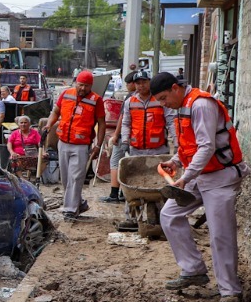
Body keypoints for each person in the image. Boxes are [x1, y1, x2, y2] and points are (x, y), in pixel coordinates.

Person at [150, 71, 247, 302]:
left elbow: (206, 147)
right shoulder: (183, 106)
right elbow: (189, 145)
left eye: (163, 98)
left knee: (220, 233)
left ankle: (230, 291)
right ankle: (193, 269)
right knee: (169, 215)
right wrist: (175, 161)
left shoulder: (201, 105)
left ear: (175, 88)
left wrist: (186, 177)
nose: (163, 104)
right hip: (200, 175)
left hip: (220, 176)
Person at [43, 69, 105, 221]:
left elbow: (102, 124)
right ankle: (80, 203)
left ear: (91, 86)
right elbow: (56, 111)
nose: (83, 88)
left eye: (86, 86)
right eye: (80, 84)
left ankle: (70, 210)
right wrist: (49, 124)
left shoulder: (96, 100)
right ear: (76, 82)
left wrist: (98, 146)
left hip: (81, 145)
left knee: (76, 178)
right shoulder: (66, 94)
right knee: (65, 179)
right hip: (63, 142)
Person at [103, 70, 169, 203]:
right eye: (138, 83)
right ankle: (132, 211)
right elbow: (126, 123)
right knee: (135, 182)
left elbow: (171, 122)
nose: (141, 85)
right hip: (136, 149)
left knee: (158, 182)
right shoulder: (130, 102)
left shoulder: (159, 100)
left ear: (150, 82)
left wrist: (178, 142)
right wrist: (125, 141)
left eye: (144, 82)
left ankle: (160, 210)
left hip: (158, 149)